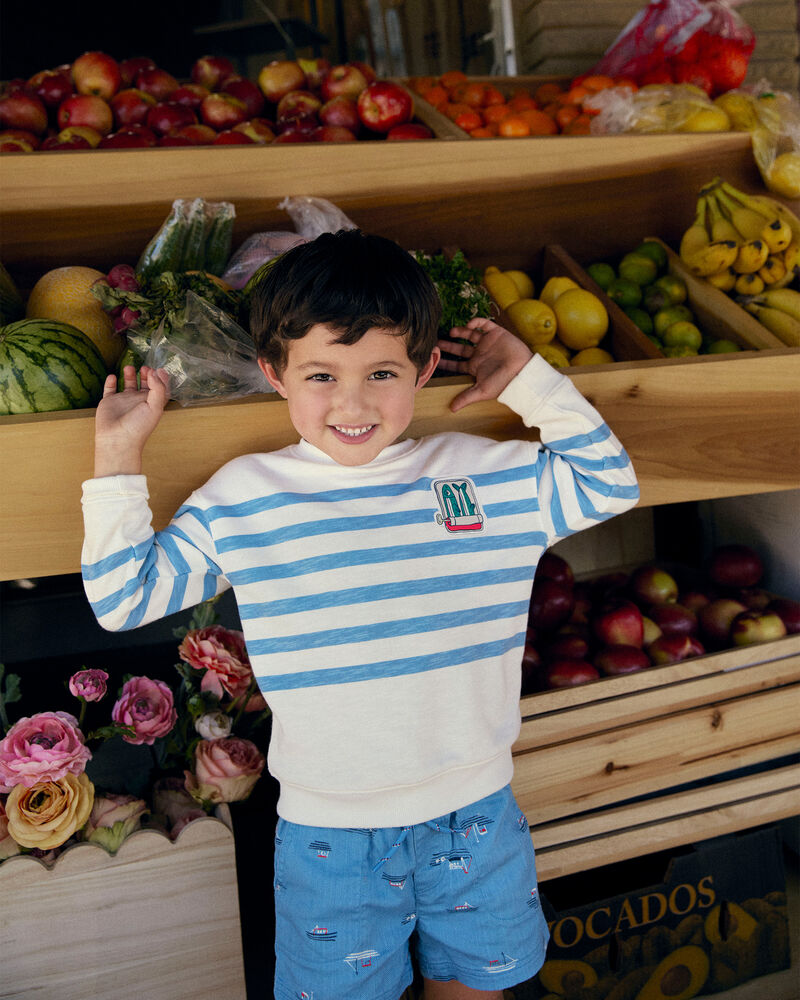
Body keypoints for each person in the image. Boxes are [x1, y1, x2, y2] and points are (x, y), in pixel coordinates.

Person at [81, 229, 639, 1000]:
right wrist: (118, 460)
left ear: (426, 369)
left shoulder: (482, 475)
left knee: (477, 991)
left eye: (382, 372)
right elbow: (124, 598)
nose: (352, 403)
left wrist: (529, 380)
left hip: (474, 818)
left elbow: (609, 485)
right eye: (320, 375)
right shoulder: (245, 496)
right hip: (329, 836)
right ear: (275, 375)